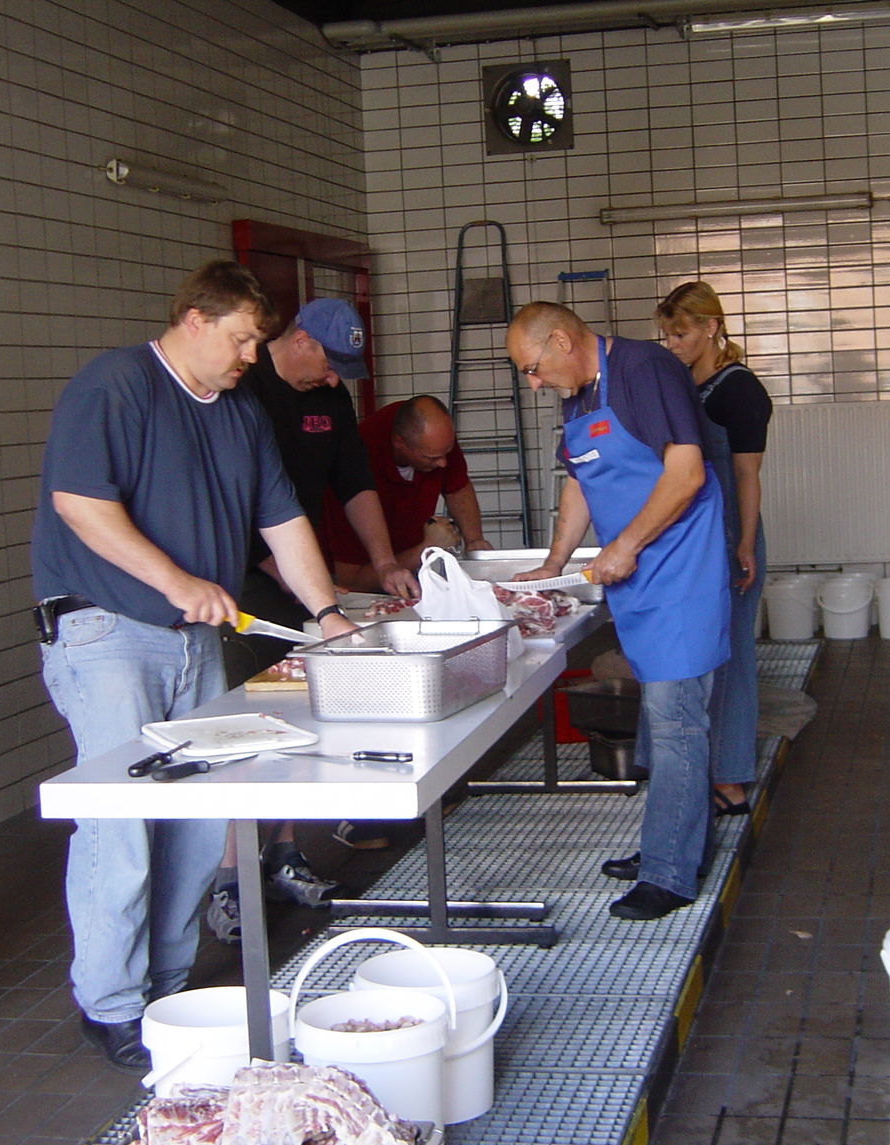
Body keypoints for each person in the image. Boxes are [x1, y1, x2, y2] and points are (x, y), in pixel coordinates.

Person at [30, 260, 357, 1073]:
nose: (251, 355)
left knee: (204, 818)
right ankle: (110, 1002)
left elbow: (282, 520)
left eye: (257, 341)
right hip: (108, 629)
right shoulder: (114, 385)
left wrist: (327, 614)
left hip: (192, 640)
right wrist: (176, 582)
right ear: (195, 320)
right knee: (122, 820)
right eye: (241, 338)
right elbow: (81, 504)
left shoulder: (241, 411)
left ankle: (167, 986)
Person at [505, 301, 729, 920]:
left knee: (677, 718)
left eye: (531, 369)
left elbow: (686, 473)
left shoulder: (644, 369)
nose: (533, 384)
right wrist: (554, 562)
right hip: (635, 576)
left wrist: (625, 545)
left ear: (560, 341)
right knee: (662, 717)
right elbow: (580, 480)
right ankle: (675, 841)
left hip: (679, 568)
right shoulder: (578, 393)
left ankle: (669, 874)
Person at [209, 298, 418, 940]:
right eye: (328, 364)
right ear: (299, 338)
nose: (333, 380)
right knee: (251, 729)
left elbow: (355, 482)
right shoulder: (244, 390)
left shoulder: (329, 398)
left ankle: (285, 854)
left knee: (302, 719)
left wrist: (384, 562)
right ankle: (229, 880)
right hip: (242, 581)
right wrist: (286, 575)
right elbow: (232, 496)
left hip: (301, 577)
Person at [656, 282, 772, 819]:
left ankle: (730, 777)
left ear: (711, 327)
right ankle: (685, 769)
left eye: (681, 334)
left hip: (728, 531)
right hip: (688, 533)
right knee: (689, 652)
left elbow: (747, 474)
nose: (672, 344)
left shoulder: (739, 388)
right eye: (667, 335)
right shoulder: (683, 384)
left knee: (730, 656)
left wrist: (744, 542)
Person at [326, 395, 495, 590]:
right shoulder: (353, 465)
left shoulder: (434, 436)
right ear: (400, 443)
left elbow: (457, 486)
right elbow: (350, 582)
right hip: (355, 580)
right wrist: (427, 547)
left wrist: (474, 540)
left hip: (410, 563)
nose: (443, 464)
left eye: (447, 453)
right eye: (431, 458)